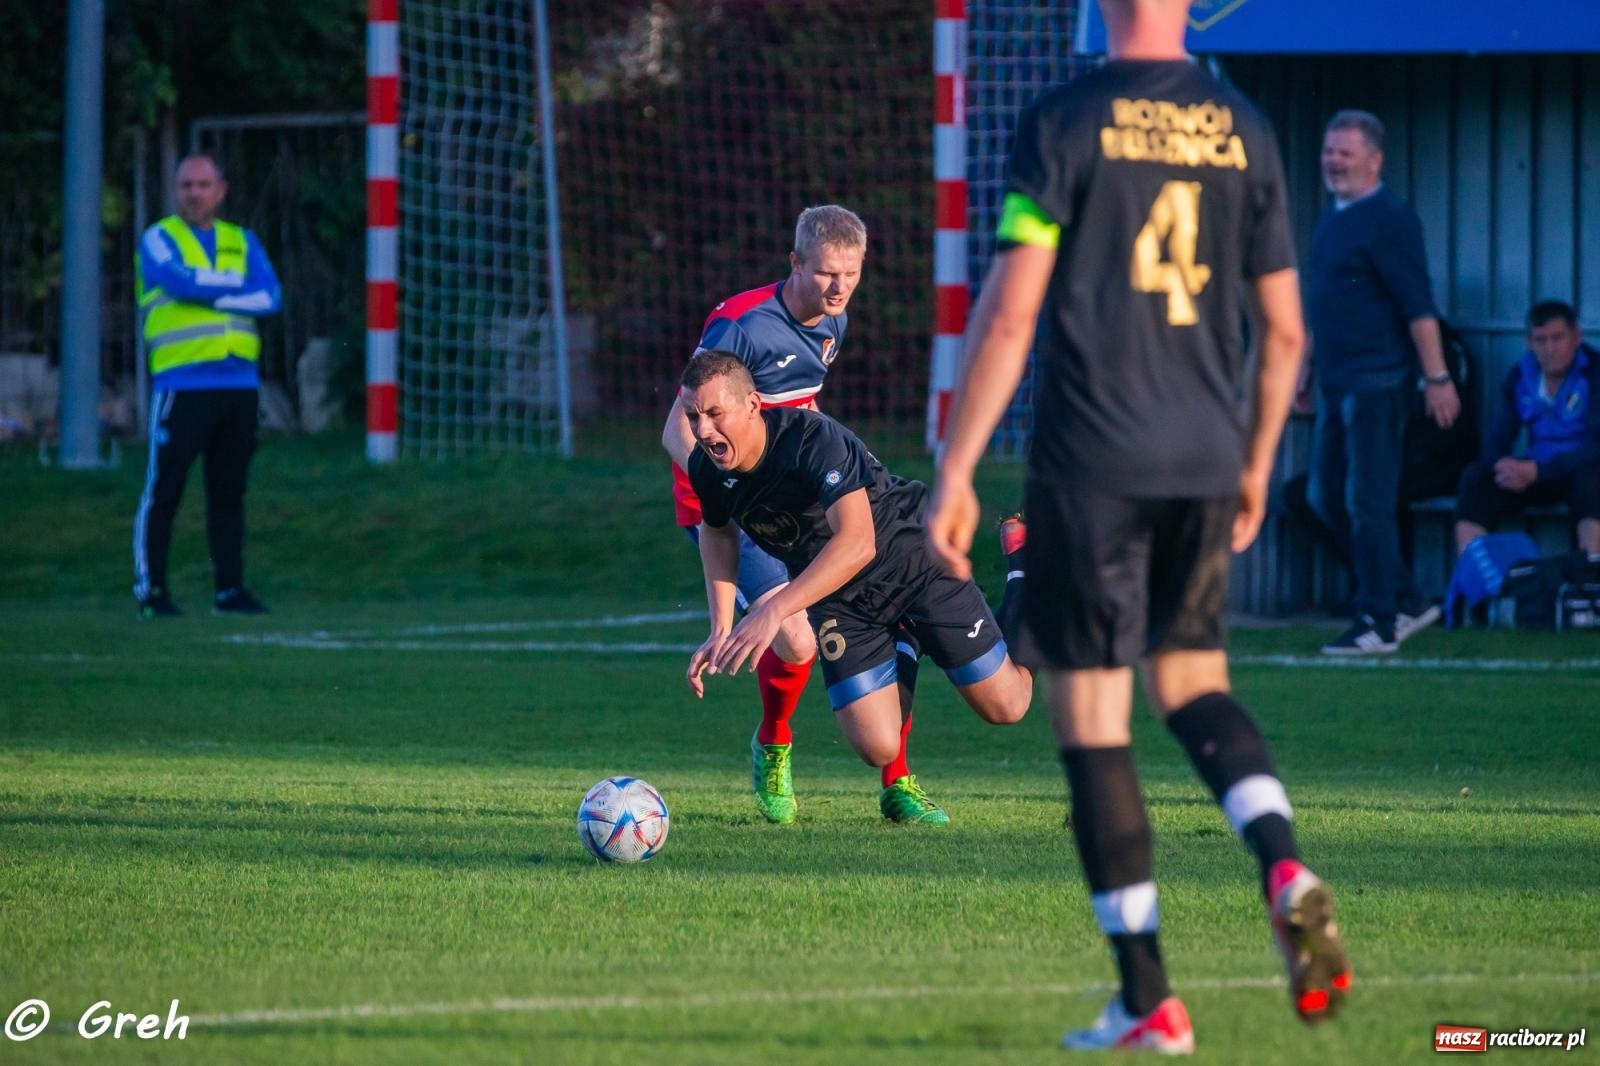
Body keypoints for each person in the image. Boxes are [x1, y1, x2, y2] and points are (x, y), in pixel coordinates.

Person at [926, 0, 1349, 1051]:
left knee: (1096, 719)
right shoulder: (1244, 128)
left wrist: (958, 467)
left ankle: (1148, 997)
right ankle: (1280, 856)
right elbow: (1287, 331)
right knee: (1194, 685)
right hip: (1203, 462)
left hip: (1094, 463)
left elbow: (1016, 308)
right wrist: (1253, 466)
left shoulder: (1066, 121)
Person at [661, 206, 949, 826]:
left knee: (894, 594)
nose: (839, 288)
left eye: (850, 273)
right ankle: (774, 743)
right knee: (794, 636)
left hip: (799, 501)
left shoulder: (833, 322)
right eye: (824, 274)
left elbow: (796, 412)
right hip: (738, 511)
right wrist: (734, 492)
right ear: (794, 263)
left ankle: (898, 780)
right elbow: (675, 430)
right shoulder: (739, 326)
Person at [680, 353, 1033, 798]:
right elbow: (717, 533)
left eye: (715, 413)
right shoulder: (707, 469)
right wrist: (721, 626)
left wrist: (775, 610)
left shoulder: (812, 441)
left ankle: (1024, 569)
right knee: (878, 748)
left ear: (752, 404)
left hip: (913, 563)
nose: (703, 429)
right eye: (693, 416)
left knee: (1008, 707)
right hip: (839, 598)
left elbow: (857, 543)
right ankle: (908, 637)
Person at [1303, 109, 1459, 654]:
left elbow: (1419, 307)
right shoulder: (1334, 215)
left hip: (1378, 382)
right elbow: (1326, 304)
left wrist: (1437, 377)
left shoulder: (1390, 217)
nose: (1334, 161)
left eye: (1345, 152)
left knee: (1367, 500)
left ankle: (1379, 620)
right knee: (1324, 496)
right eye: (1329, 151)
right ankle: (1406, 598)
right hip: (1335, 383)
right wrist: (1304, 367)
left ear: (1375, 160)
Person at [133, 154, 281, 618]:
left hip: (238, 383)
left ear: (221, 191)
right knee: (165, 488)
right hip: (183, 382)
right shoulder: (159, 238)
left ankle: (229, 591)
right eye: (185, 185)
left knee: (228, 490)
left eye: (202, 185)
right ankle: (152, 591)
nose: (193, 193)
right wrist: (233, 289)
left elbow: (271, 296)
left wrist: (207, 285)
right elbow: (178, 284)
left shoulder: (242, 240)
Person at [1453, 300, 1600, 556]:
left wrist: (1540, 471)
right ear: (1529, 342)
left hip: (1579, 471)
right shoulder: (1520, 376)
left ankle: (1590, 582)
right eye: (1540, 340)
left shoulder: (1595, 373)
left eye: (1558, 338)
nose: (1549, 349)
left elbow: (1596, 447)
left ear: (1576, 337)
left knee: (1593, 480)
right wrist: (1501, 464)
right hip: (1534, 471)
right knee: (1475, 479)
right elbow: (1498, 438)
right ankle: (1476, 580)